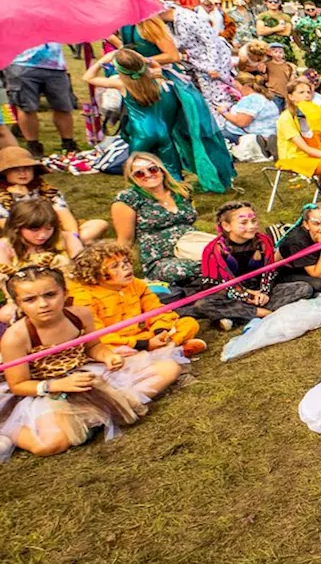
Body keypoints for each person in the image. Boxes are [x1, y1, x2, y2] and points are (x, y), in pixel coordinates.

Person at [0, 266, 184, 460]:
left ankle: (96, 414)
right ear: (18, 304)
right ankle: (8, 430)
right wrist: (58, 385)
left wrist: (106, 356)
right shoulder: (15, 338)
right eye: (30, 300)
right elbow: (18, 385)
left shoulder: (80, 315)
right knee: (51, 445)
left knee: (169, 368)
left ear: (64, 293)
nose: (43, 304)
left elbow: (92, 346)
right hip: (45, 390)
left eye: (50, 294)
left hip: (86, 373)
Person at [84, 49, 235, 194]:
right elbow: (154, 65)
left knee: (137, 168)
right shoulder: (157, 78)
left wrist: (102, 61)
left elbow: (88, 77)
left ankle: (141, 195)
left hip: (141, 134)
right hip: (164, 132)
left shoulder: (122, 84)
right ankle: (179, 193)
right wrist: (144, 60)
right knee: (172, 169)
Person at [191, 201, 314, 331]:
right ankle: (263, 313)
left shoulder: (263, 242)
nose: (251, 226)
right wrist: (247, 295)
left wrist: (263, 293)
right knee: (202, 305)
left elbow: (270, 273)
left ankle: (238, 316)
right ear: (226, 226)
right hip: (230, 294)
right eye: (244, 223)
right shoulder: (213, 250)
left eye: (254, 221)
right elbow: (216, 285)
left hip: (260, 291)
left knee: (304, 288)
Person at [67, 243, 205, 356]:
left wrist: (160, 332)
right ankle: (170, 351)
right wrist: (142, 344)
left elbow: (157, 311)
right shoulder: (83, 298)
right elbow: (97, 337)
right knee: (108, 350)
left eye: (126, 261)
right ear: (94, 275)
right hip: (117, 343)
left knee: (188, 323)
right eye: (115, 266)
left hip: (145, 335)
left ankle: (168, 347)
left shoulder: (136, 284)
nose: (125, 266)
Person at [112, 152, 206, 287]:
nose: (148, 174)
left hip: (191, 244)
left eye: (152, 169)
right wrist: (117, 268)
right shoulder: (128, 199)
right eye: (139, 173)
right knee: (205, 266)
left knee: (230, 251)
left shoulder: (181, 192)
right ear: (133, 179)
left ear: (161, 170)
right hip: (161, 259)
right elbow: (125, 241)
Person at [0, 146, 107, 247]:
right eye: (15, 169)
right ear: (4, 172)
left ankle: (68, 245)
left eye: (27, 168)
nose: (22, 173)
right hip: (21, 237)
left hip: (53, 232)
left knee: (98, 224)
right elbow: (8, 227)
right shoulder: (2, 195)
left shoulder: (47, 190)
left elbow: (65, 217)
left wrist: (73, 237)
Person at [0, 198, 77, 325]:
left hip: (65, 294)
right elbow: (7, 284)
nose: (43, 235)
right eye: (35, 230)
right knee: (5, 314)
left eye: (48, 228)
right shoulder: (4, 247)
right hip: (28, 299)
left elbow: (82, 270)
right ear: (17, 227)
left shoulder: (66, 238)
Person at [4, 42, 80, 157]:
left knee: (63, 106)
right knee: (27, 108)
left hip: (55, 65)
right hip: (20, 64)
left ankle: (68, 144)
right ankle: (33, 145)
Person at [170, 5, 239, 109]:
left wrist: (212, 66)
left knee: (221, 96)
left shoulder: (188, 18)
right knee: (209, 98)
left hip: (213, 63)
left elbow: (211, 42)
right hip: (198, 65)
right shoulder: (172, 24)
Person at [276, 78, 321, 186]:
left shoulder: (309, 114)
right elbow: (305, 148)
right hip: (292, 159)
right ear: (291, 96)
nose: (307, 95)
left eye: (308, 92)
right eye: (301, 92)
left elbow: (311, 141)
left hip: (310, 156)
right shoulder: (286, 118)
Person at [213, 73, 280, 152]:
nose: (236, 89)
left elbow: (241, 122)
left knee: (213, 137)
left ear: (245, 87)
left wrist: (224, 112)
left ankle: (260, 146)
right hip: (267, 133)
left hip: (244, 134)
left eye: (237, 87)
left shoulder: (250, 99)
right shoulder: (265, 98)